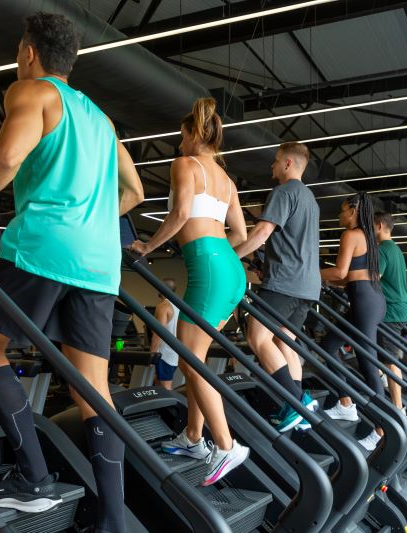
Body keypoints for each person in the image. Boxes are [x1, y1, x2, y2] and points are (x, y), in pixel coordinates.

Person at [0, 13, 143, 531]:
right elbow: (135, 194)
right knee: (93, 386)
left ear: (29, 52)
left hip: (44, 248)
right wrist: (92, 218)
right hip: (100, 263)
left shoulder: (33, 92)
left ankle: (34, 480)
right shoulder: (100, 118)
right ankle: (113, 520)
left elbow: (6, 158)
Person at [130, 97, 249, 486]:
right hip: (230, 269)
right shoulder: (227, 180)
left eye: (180, 136)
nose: (178, 144)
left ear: (192, 133)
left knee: (189, 361)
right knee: (193, 358)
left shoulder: (185, 164)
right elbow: (242, 235)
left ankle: (226, 445)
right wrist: (215, 251)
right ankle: (194, 437)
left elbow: (179, 214)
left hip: (210, 270)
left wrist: (147, 247)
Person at [234, 142, 321, 432]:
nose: (272, 167)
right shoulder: (310, 198)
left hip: (285, 283)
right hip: (307, 287)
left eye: (275, 161)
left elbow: (261, 232)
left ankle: (298, 402)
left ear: (287, 163)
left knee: (257, 337)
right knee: (286, 342)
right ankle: (292, 409)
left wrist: (230, 257)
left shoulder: (284, 192)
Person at [319, 192, 387, 452]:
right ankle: (346, 403)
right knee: (328, 346)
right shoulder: (369, 237)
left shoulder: (350, 234)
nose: (340, 215)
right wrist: (323, 279)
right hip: (369, 299)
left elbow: (340, 271)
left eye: (343, 210)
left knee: (368, 364)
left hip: (364, 303)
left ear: (354, 211)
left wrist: (310, 272)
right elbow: (349, 277)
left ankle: (382, 429)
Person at [374, 212, 407, 413]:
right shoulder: (395, 249)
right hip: (398, 310)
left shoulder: (382, 250)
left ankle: (398, 407)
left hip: (391, 312)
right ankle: (381, 380)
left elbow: (373, 279)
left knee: (390, 360)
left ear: (379, 226)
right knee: (384, 357)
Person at [149, 278, 180, 390]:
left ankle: (173, 408)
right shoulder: (177, 306)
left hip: (165, 354)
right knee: (157, 382)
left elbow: (158, 333)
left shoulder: (163, 306)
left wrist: (151, 355)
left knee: (166, 386)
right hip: (174, 353)